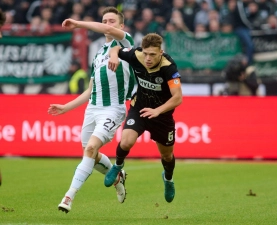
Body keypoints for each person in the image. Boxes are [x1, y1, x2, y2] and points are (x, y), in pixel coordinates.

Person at [48, 6, 136, 213]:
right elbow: (90, 90)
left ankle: (69, 196)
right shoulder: (98, 53)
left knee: (89, 150)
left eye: (111, 21)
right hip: (92, 109)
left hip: (113, 109)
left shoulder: (126, 42)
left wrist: (78, 24)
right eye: (104, 20)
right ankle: (118, 175)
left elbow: (100, 28)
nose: (107, 24)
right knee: (91, 153)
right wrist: (66, 107)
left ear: (121, 25)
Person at [105, 33, 183, 203]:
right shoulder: (136, 55)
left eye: (153, 55)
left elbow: (178, 97)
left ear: (160, 52)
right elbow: (115, 48)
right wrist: (113, 57)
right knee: (126, 142)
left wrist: (158, 111)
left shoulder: (169, 67)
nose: (148, 58)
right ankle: (117, 166)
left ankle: (168, 179)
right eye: (146, 53)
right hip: (139, 108)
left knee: (167, 156)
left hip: (162, 116)